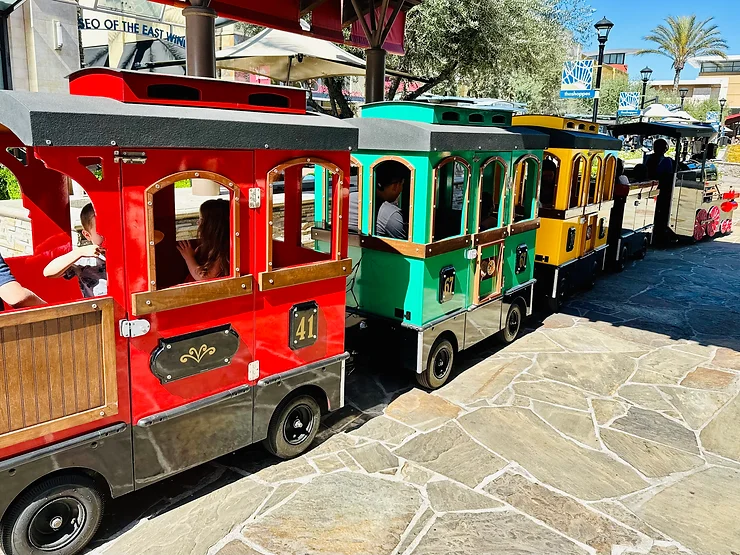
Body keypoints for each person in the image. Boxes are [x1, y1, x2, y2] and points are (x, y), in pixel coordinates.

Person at [44, 203, 107, 298]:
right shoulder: (85, 259)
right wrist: (79, 252)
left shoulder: (127, 254)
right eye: (101, 233)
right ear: (87, 235)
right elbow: (48, 272)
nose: (108, 236)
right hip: (98, 310)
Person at [177, 198, 230, 281]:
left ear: (212, 225)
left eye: (201, 219)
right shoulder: (209, 245)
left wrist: (189, 257)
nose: (198, 222)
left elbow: (204, 277)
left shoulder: (223, 250)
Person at [374, 161, 408, 240]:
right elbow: (403, 248)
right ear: (395, 186)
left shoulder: (351, 198)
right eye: (402, 184)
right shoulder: (392, 215)